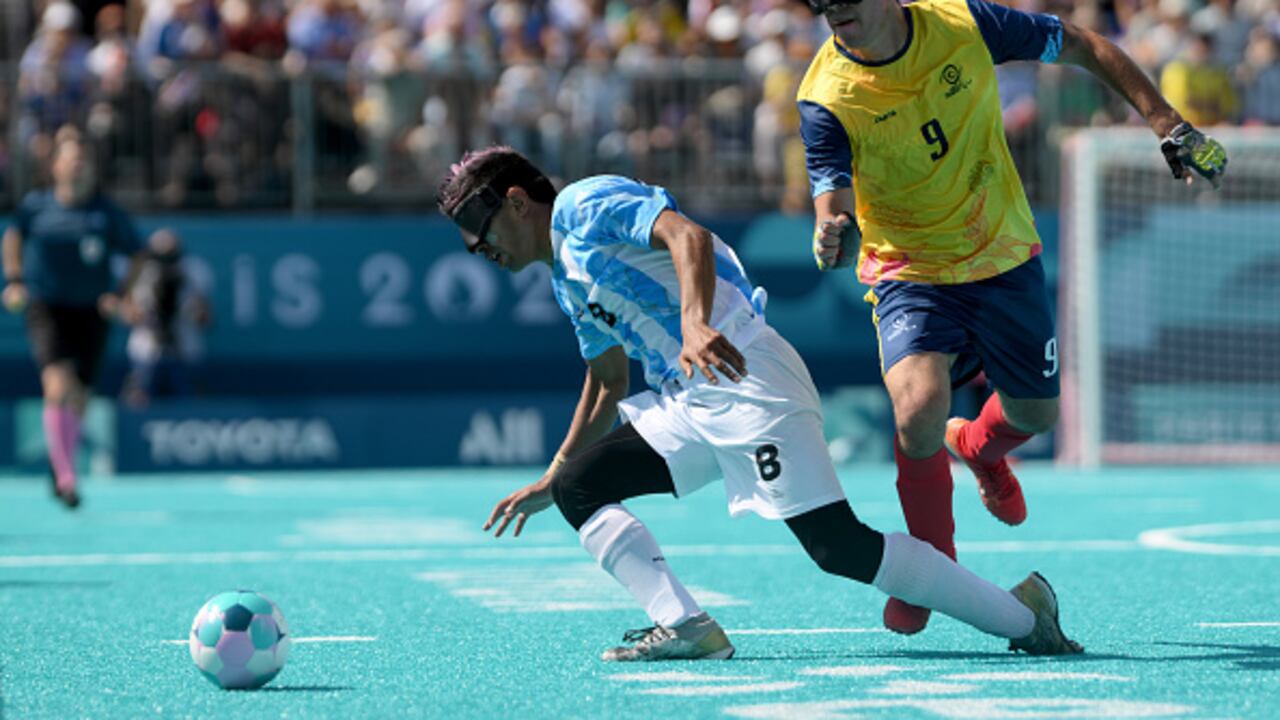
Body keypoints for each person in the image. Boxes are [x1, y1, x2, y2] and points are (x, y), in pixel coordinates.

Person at [437, 146, 1082, 662]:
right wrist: (552, 476)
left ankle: (1025, 614)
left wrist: (694, 322)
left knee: (838, 548)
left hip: (743, 372)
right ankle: (687, 627)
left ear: (516, 202)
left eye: (479, 233)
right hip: (690, 400)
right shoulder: (563, 280)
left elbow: (687, 236)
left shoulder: (582, 205)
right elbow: (607, 381)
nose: (478, 250)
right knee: (580, 486)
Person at [797, 0, 1228, 635]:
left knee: (1034, 414)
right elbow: (830, 201)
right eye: (819, 2)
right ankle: (933, 572)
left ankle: (977, 445)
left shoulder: (965, 24)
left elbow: (1083, 45)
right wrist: (831, 233)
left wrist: (1166, 121)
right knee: (918, 410)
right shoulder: (825, 94)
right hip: (909, 269)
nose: (831, 10)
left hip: (1001, 254)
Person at [1, 133, 145, 508]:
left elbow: (138, 254)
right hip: (47, 306)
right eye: (71, 159)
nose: (78, 166)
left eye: (84, 160)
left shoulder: (105, 213)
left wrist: (120, 294)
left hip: (92, 311)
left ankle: (59, 461)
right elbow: (13, 236)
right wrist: (14, 280)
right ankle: (67, 477)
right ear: (56, 167)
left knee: (80, 395)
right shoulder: (36, 206)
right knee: (56, 384)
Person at [120, 228, 213, 408]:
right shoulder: (139, 273)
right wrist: (145, 314)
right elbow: (128, 313)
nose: (165, 263)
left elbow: (205, 318)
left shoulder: (193, 274)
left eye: (171, 256)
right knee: (139, 401)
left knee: (187, 404)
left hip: (184, 350)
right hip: (146, 351)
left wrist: (193, 307)